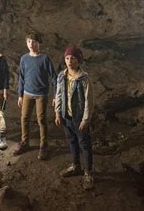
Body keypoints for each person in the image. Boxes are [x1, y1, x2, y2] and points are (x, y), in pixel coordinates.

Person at [54, 45, 95, 190]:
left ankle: (88, 172)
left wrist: (85, 119)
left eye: (73, 58)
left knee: (84, 144)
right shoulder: (61, 76)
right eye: (67, 58)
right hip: (67, 117)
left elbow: (89, 101)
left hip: (79, 118)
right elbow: (58, 95)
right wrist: (58, 113)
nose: (69, 61)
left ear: (79, 60)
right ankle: (76, 166)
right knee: (72, 142)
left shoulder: (84, 79)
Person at [13, 33, 57, 160]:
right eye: (28, 42)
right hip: (27, 93)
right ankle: (25, 142)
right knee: (24, 118)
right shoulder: (24, 59)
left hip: (41, 95)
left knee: (41, 120)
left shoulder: (45, 59)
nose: (31, 44)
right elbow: (21, 77)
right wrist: (20, 95)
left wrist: (55, 95)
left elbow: (53, 77)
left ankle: (44, 145)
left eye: (33, 42)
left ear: (39, 43)